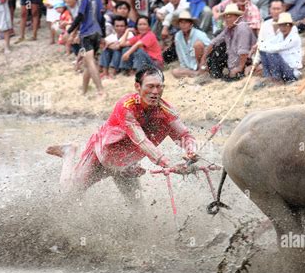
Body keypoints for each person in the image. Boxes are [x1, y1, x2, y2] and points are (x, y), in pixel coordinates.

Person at [46, 66, 198, 197]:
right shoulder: (126, 106)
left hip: (126, 166)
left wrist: (191, 152)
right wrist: (168, 164)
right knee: (69, 195)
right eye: (150, 86)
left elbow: (185, 136)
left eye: (159, 87)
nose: (155, 92)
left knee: (139, 212)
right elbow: (141, 141)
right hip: (100, 157)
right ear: (138, 87)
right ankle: (68, 152)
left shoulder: (166, 111)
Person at [199, 3, 257, 82]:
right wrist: (203, 59)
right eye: (226, 17)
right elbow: (214, 42)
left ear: (237, 17)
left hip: (247, 62)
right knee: (215, 49)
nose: (227, 19)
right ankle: (216, 76)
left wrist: (239, 68)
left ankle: (235, 74)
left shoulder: (242, 28)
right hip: (234, 60)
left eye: (230, 16)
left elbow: (244, 53)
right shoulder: (228, 29)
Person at [67, 0, 105, 97]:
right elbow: (102, 17)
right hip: (97, 32)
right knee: (87, 64)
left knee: (90, 62)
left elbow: (80, 16)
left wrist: (69, 31)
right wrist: (103, 35)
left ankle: (100, 91)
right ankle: (83, 91)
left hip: (87, 33)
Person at [253, 12, 302, 88]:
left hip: (291, 70)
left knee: (271, 53)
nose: (284, 27)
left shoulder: (294, 38)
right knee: (264, 51)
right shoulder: (280, 35)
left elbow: (277, 48)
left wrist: (261, 46)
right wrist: (260, 46)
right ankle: (268, 77)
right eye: (281, 25)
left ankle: (277, 79)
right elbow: (269, 42)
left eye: (286, 25)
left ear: (291, 26)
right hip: (283, 67)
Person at [172, 11, 211, 78]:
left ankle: (201, 71)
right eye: (181, 22)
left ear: (191, 24)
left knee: (198, 45)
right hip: (189, 66)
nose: (183, 25)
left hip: (202, 64)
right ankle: (197, 74)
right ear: (179, 24)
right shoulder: (178, 36)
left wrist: (203, 60)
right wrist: (183, 67)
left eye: (186, 22)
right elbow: (180, 54)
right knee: (175, 72)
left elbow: (210, 46)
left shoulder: (199, 34)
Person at [251, 0, 284, 73]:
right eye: (273, 9)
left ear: (283, 10)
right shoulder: (265, 25)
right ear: (270, 10)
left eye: (278, 9)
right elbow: (259, 44)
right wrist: (255, 64)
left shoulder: (288, 25)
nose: (276, 12)